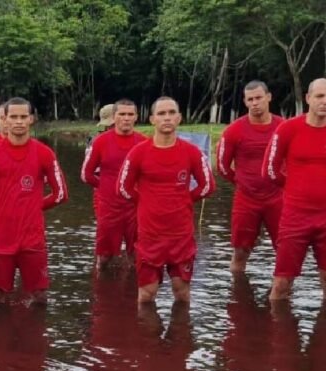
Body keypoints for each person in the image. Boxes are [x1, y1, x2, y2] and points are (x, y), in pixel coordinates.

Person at [262, 78, 326, 300]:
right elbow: (269, 171)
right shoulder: (288, 129)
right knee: (282, 282)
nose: (325, 102)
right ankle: (276, 332)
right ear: (308, 98)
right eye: (319, 96)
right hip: (294, 216)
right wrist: (297, 186)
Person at [0, 97, 68, 305]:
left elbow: (60, 194)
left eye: (23, 117)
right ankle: (0, 336)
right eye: (14, 117)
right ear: (5, 120)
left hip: (32, 239)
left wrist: (34, 207)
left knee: (40, 297)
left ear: (32, 119)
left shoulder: (44, 153)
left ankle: (34, 336)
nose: (19, 121)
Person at [117, 96, 215, 304]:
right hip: (150, 236)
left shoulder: (192, 153)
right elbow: (122, 188)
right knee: (146, 295)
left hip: (181, 236)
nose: (167, 118)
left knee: (182, 293)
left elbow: (208, 185)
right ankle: (145, 335)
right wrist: (145, 202)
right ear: (152, 119)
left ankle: (181, 335)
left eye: (171, 113)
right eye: (161, 114)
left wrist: (185, 200)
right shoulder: (138, 153)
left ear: (179, 118)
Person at [217, 81, 284, 274]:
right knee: (240, 251)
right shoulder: (234, 130)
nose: (255, 103)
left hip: (278, 198)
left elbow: (296, 161)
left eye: (258, 98)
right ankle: (238, 297)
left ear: (268, 97)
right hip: (246, 199)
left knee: (285, 250)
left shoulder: (283, 127)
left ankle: (282, 296)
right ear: (245, 102)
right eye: (250, 99)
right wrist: (241, 182)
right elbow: (222, 166)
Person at [81, 99, 145, 270]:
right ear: (115, 117)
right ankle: (102, 292)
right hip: (109, 206)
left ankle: (134, 292)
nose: (126, 118)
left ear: (136, 117)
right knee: (104, 257)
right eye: (122, 114)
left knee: (137, 255)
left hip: (136, 207)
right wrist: (107, 187)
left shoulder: (143, 142)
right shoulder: (100, 142)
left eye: (130, 114)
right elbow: (86, 175)